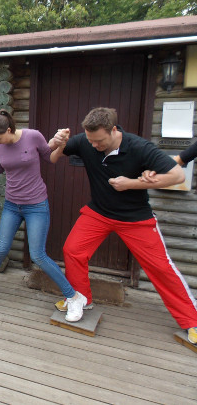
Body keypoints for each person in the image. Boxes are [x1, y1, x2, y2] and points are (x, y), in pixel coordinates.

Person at [51, 107, 197, 343]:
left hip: (135, 218)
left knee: (160, 267)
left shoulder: (139, 147)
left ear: (114, 130)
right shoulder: (86, 141)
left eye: (99, 141)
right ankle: (82, 299)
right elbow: (53, 154)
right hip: (99, 212)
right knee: (72, 250)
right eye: (90, 141)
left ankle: (192, 320)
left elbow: (177, 175)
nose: (94, 146)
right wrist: (57, 141)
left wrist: (132, 183)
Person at [0, 110, 87, 322]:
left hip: (36, 204)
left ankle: (74, 297)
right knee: (1, 248)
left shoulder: (33, 136)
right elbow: (0, 167)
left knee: (38, 255)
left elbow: (50, 158)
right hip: (12, 204)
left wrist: (61, 145)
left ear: (9, 130)